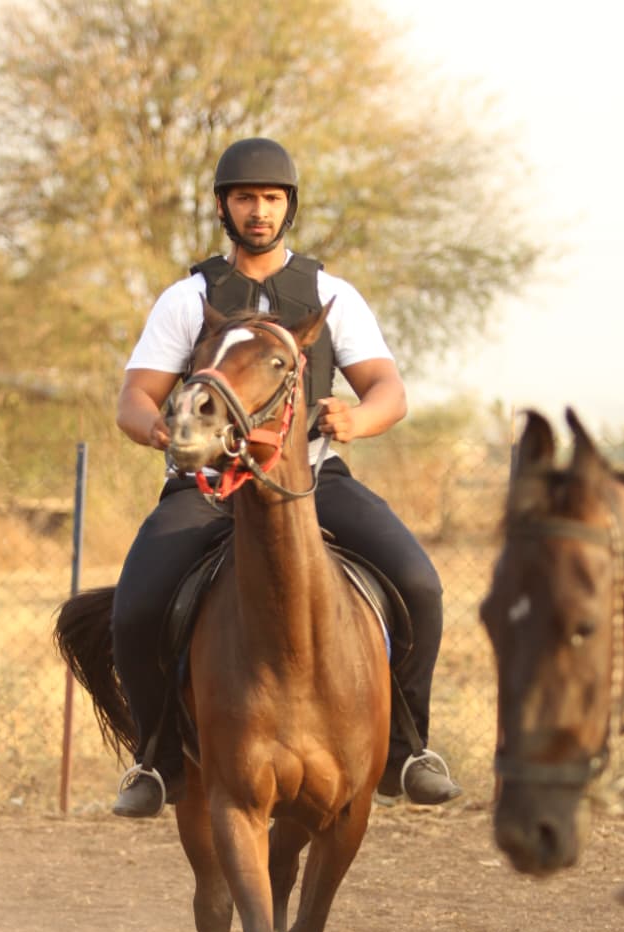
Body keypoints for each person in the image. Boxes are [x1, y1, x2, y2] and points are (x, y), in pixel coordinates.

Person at [112, 137, 461, 818]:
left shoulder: (331, 295)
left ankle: (408, 748)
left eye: (271, 198)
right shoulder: (188, 298)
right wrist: (157, 428)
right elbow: (134, 397)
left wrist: (359, 418)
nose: (259, 210)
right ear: (223, 208)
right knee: (135, 607)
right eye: (245, 198)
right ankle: (156, 759)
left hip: (312, 479)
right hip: (210, 488)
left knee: (419, 583)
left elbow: (388, 389)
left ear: (288, 206)